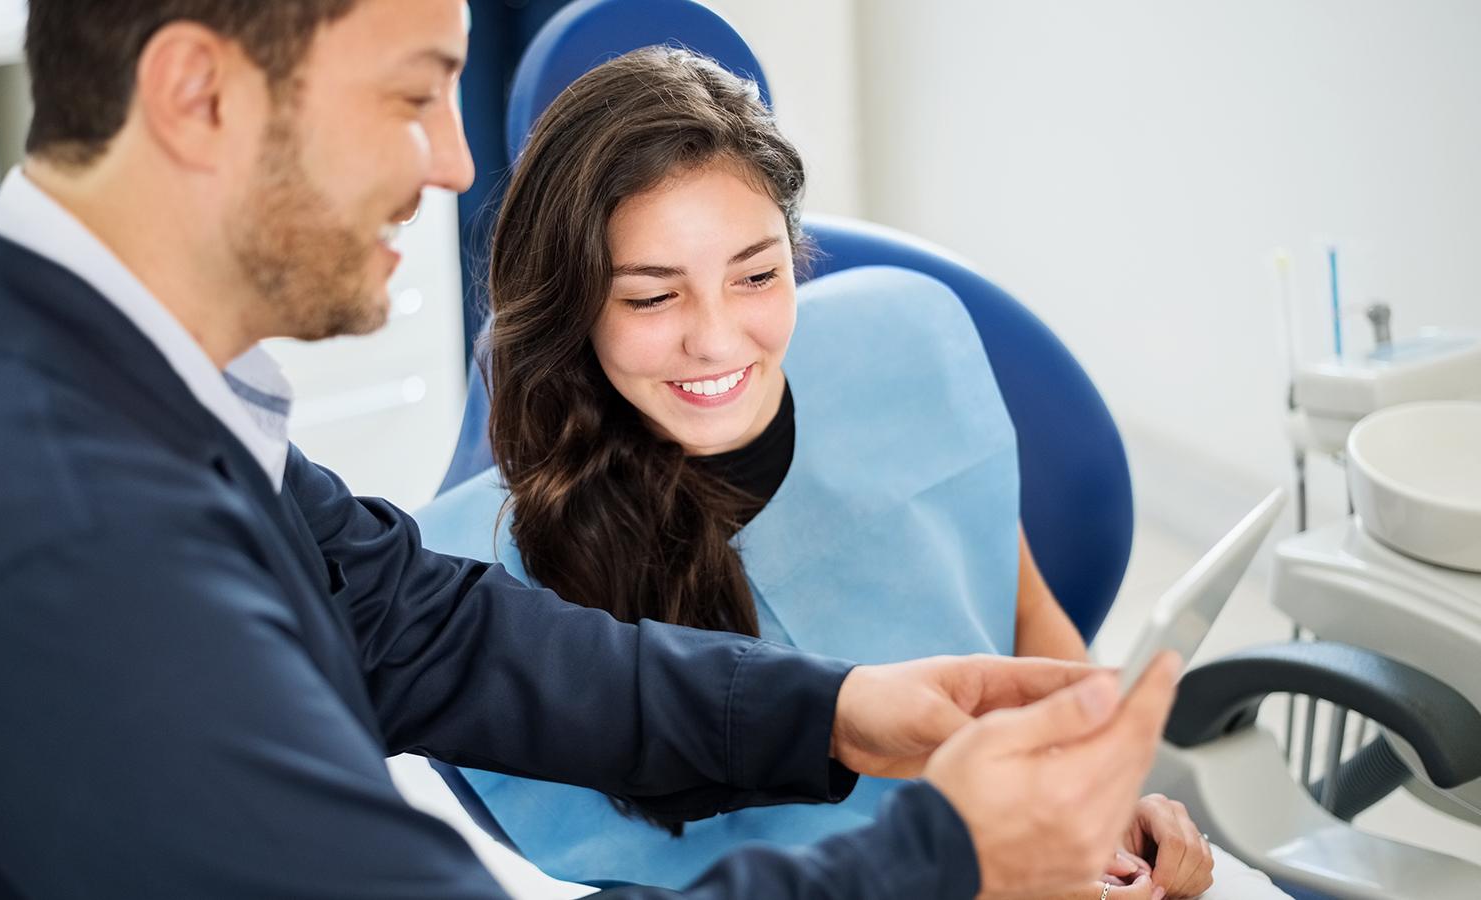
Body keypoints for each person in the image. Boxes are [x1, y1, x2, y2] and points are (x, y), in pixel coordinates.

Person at [0, 1, 1183, 898]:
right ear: (196, 93)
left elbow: (426, 629)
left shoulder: (116, 386)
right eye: (413, 96)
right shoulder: (65, 549)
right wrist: (953, 863)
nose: (453, 163)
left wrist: (834, 710)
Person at [416, 47, 1283, 899]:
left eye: (756, 275)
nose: (717, 338)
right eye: (652, 296)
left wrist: (1102, 805)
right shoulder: (490, 592)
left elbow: (1021, 614)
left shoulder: (901, 350)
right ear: (572, 303)